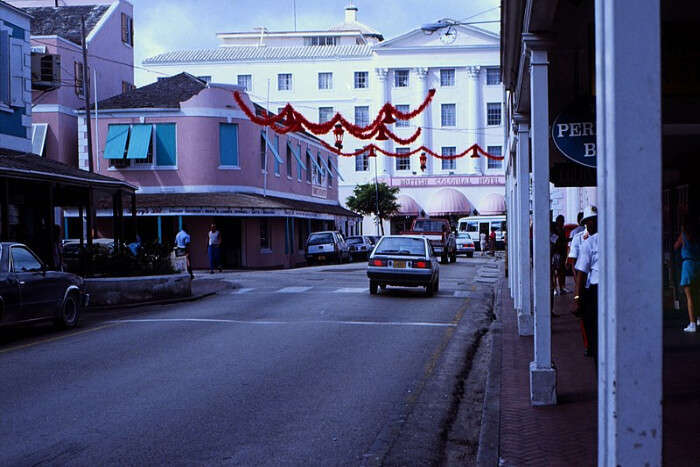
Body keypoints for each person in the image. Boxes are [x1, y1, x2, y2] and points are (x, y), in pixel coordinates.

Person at [574, 206, 599, 360]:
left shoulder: (589, 243)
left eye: (589, 223)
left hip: (597, 291)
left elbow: (582, 273)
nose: (587, 226)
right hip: (598, 289)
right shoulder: (588, 242)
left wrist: (577, 298)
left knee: (593, 327)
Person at [568, 220, 591, 355]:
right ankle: (588, 344)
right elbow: (574, 263)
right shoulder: (579, 238)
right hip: (586, 284)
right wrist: (577, 289)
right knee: (585, 317)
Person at [674, 215, 700, 332]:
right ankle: (698, 319)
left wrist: (681, 233)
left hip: (688, 265)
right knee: (697, 294)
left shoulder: (683, 236)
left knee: (689, 297)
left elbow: (675, 246)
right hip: (698, 265)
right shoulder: (698, 236)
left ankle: (692, 323)